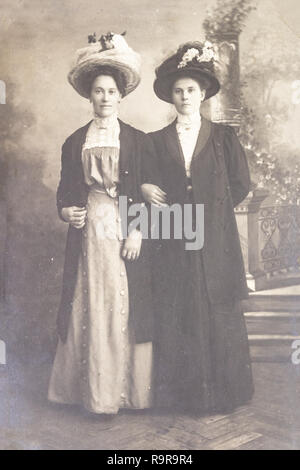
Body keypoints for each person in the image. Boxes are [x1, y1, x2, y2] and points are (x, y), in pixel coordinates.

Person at [141, 41, 254, 414]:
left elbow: (240, 183)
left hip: (216, 238)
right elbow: (148, 179)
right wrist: (145, 187)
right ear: (171, 96)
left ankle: (225, 394)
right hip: (175, 236)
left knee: (217, 309)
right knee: (183, 310)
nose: (185, 95)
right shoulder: (157, 141)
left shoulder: (223, 138)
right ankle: (185, 397)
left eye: (191, 89)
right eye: (179, 90)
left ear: (202, 93)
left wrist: (215, 214)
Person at [48, 32, 155, 415]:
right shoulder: (74, 140)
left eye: (111, 91)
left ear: (121, 96)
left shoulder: (138, 141)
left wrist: (138, 230)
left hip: (124, 228)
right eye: (98, 91)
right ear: (89, 96)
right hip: (89, 230)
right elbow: (65, 190)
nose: (105, 97)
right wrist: (66, 211)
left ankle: (127, 392)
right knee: (90, 299)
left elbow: (147, 192)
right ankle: (93, 394)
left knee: (124, 302)